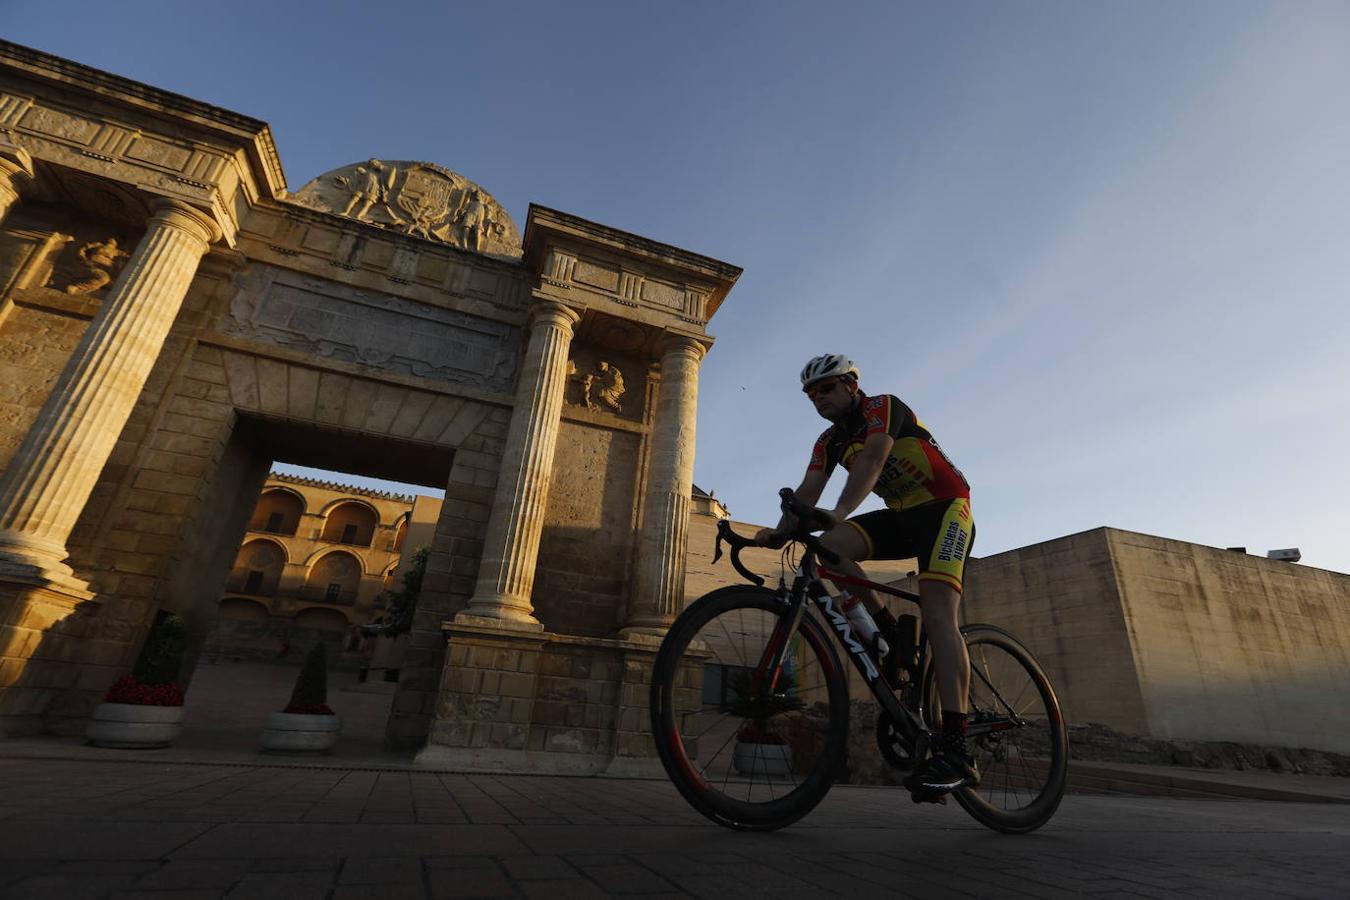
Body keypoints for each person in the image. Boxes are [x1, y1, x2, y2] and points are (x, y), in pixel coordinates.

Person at [753, 353, 978, 800]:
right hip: (900, 515)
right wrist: (778, 533)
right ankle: (889, 631)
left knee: (938, 616)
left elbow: (872, 460)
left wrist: (837, 512)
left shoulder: (883, 407)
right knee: (829, 549)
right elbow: (808, 490)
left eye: (828, 388)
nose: (819, 398)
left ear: (852, 386)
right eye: (811, 394)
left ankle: (957, 746)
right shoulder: (828, 441)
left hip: (944, 509)